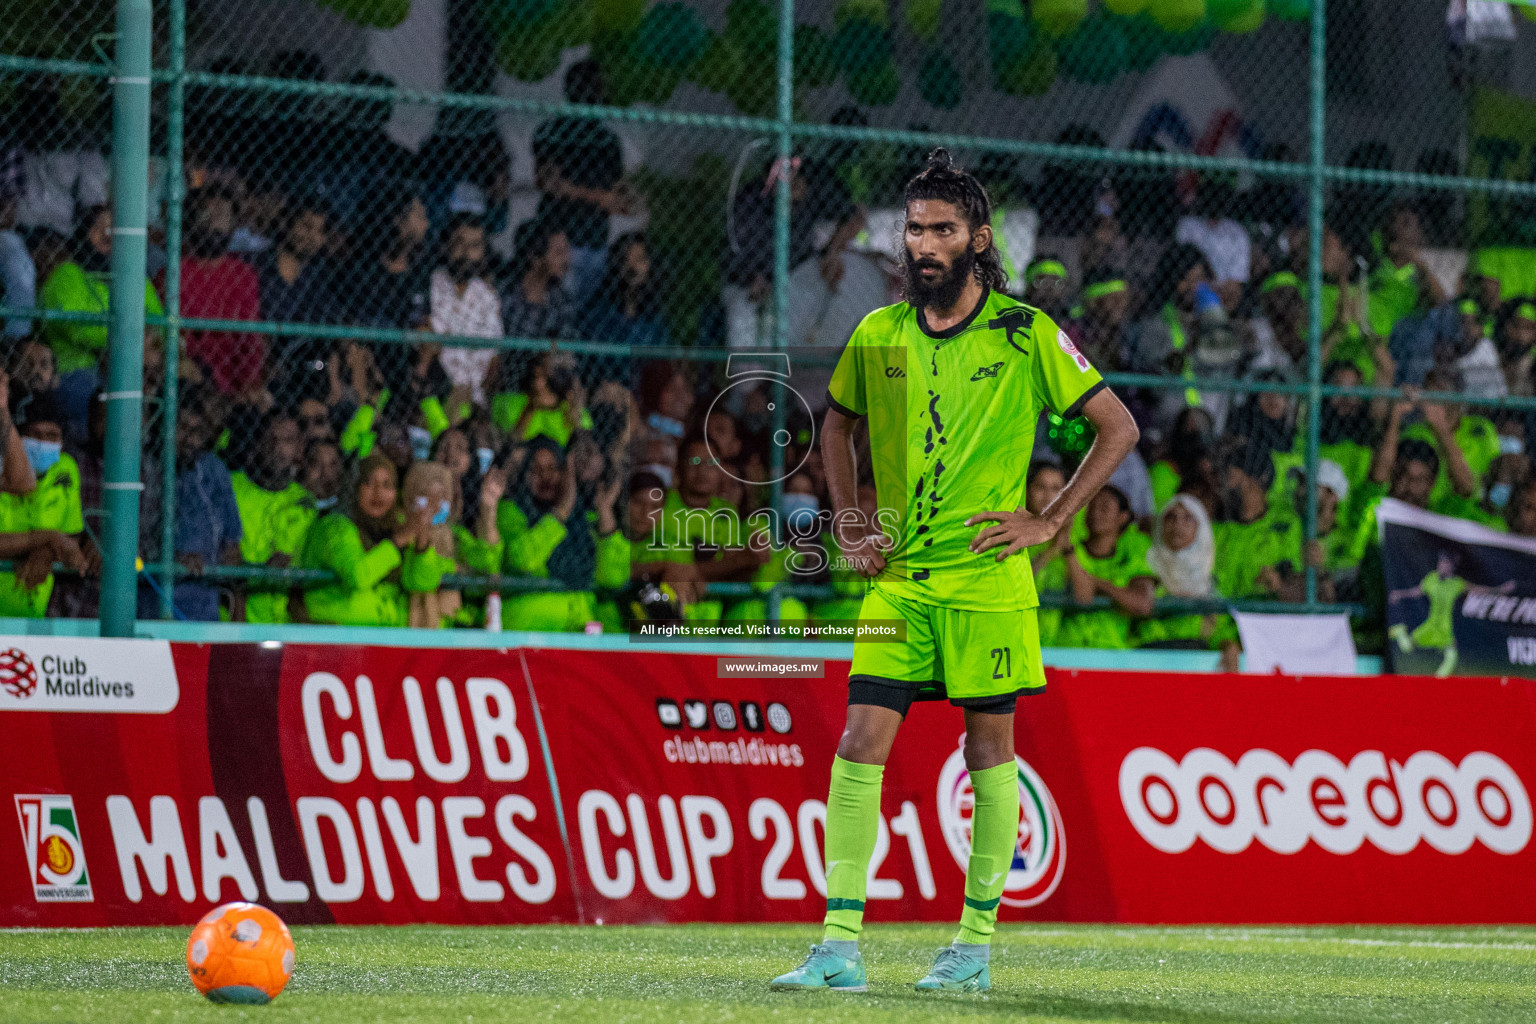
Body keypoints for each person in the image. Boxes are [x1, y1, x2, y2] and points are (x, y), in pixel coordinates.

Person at [772, 150, 1137, 994]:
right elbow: (834, 427)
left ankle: (972, 948)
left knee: (988, 750)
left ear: (977, 238)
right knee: (860, 742)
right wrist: (850, 518)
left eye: (941, 230)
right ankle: (836, 948)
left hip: (986, 581)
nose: (924, 244)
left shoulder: (1025, 331)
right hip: (899, 581)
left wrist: (1048, 522)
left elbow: (1117, 427)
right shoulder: (878, 332)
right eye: (913, 229)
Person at [39, 205, 164, 437]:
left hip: (135, 365)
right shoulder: (67, 274)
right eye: (99, 228)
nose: (108, 235)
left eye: (114, 230)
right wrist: (132, 339)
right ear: (83, 233)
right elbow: (77, 327)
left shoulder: (137, 280)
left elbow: (159, 324)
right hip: (78, 370)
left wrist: (144, 342)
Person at [300, 453, 446, 626]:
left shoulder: (396, 526)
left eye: (387, 485)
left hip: (386, 635)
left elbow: (424, 583)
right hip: (338, 635)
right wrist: (398, 540)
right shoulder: (334, 527)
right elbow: (359, 576)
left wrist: (422, 538)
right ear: (354, 488)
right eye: (369, 483)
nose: (378, 492)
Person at [496, 436, 626, 630]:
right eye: (535, 470)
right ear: (524, 474)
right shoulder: (511, 512)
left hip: (580, 623)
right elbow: (522, 559)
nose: (545, 477)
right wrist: (561, 511)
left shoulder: (583, 520)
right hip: (529, 626)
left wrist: (605, 512)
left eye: (553, 468)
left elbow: (613, 578)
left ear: (566, 473)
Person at [531, 60, 633, 304]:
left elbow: (617, 199)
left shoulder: (607, 140)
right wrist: (598, 197)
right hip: (562, 239)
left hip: (595, 240)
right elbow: (548, 183)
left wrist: (576, 191)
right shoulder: (552, 132)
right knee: (559, 305)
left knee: (584, 312)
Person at [0, 388, 83, 616]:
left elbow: (71, 535)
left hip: (33, 613)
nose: (42, 443)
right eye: (34, 434)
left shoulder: (65, 469)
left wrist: (46, 551)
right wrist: (47, 539)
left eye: (52, 436)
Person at [178, 185, 264, 399]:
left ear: (234, 224)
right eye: (208, 213)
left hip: (234, 378)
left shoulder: (243, 275)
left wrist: (250, 382)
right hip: (192, 379)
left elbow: (250, 337)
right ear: (192, 219)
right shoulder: (175, 272)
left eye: (222, 215)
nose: (215, 222)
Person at [230, 409, 311, 623]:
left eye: (287, 440)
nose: (278, 449)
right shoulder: (231, 487)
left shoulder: (303, 501)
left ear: (299, 449)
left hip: (280, 622)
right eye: (271, 439)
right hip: (230, 616)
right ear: (257, 444)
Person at [1053, 486, 1156, 649]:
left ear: (1122, 517)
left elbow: (1142, 604)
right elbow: (1083, 597)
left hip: (1111, 654)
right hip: (1066, 650)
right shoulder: (1068, 551)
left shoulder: (1130, 558)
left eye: (1104, 507)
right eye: (1091, 506)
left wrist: (1096, 583)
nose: (1095, 513)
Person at [1389, 550, 1514, 678]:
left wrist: (1499, 590)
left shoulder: (1456, 583)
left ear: (1451, 566)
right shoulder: (1431, 578)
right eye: (1440, 562)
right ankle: (1400, 632)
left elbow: (1478, 589)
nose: (1441, 565)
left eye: (1444, 563)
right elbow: (1417, 591)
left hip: (1445, 627)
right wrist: (1399, 594)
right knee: (1407, 647)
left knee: (1451, 656)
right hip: (1432, 625)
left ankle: (1437, 683)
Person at [429, 213, 503, 406]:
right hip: (439, 394)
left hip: (478, 398)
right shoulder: (431, 286)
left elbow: (495, 359)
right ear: (446, 246)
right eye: (460, 243)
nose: (466, 253)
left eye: (475, 246)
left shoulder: (487, 295)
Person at [580, 232, 670, 350]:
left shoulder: (655, 316)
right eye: (625, 259)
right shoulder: (599, 309)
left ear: (649, 264)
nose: (632, 267)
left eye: (639, 259)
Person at [501, 216, 577, 342]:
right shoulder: (504, 295)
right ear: (534, 257)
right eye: (558, 252)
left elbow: (565, 344)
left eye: (566, 251)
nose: (566, 260)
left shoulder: (562, 300)